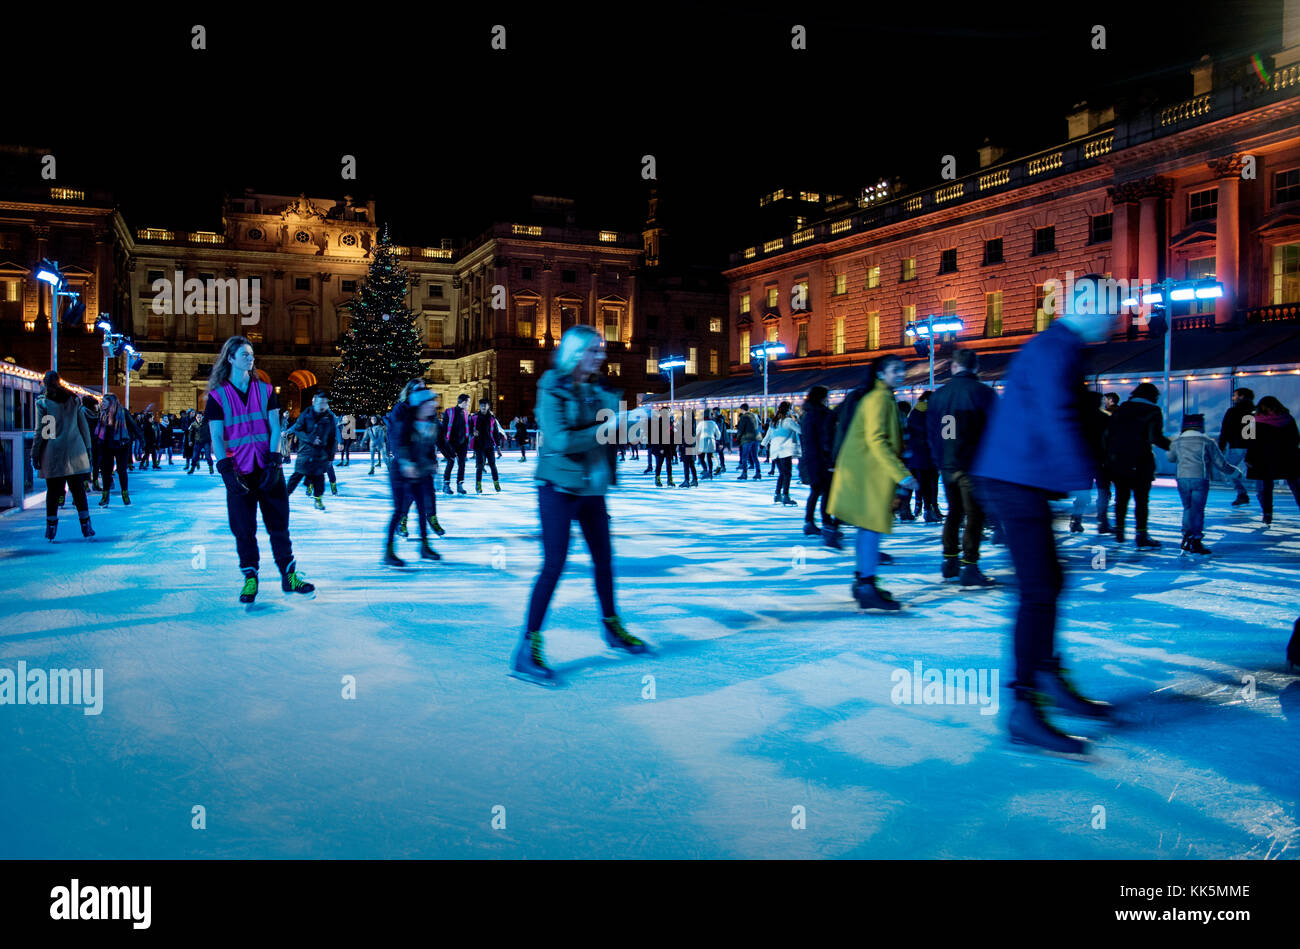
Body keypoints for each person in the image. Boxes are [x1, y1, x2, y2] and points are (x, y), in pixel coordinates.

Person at [972, 273, 1118, 754]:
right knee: (1038, 590)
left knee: (1048, 585)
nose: (1117, 319)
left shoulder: (1058, 345)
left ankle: (1046, 681)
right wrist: (1080, 481)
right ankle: (1024, 709)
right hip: (1014, 481)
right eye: (1110, 307)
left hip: (1018, 478)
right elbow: (1058, 414)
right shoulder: (1056, 348)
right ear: (1085, 305)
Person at [511, 325, 650, 686]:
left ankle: (612, 627)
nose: (601, 355)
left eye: (601, 350)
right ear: (575, 353)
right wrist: (612, 426)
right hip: (558, 486)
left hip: (592, 488)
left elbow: (609, 435)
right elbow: (559, 440)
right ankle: (527, 648)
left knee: (604, 560)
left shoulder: (598, 387)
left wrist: (635, 426)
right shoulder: (551, 386)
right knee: (554, 564)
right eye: (593, 350)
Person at [205, 336, 314, 605]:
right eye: (244, 354)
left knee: (279, 525)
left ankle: (289, 576)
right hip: (239, 471)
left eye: (251, 354)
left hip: (267, 467)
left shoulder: (265, 391)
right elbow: (216, 437)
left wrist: (275, 460)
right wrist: (226, 471)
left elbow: (275, 427)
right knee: (243, 528)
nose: (250, 358)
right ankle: (250, 577)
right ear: (230, 358)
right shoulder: (218, 397)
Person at [828, 355, 914, 609]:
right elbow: (878, 440)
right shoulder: (878, 399)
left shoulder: (881, 397)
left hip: (865, 471)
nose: (900, 373)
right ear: (880, 373)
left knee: (868, 528)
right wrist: (902, 475)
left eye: (901, 369)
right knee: (871, 528)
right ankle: (866, 585)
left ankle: (863, 582)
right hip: (868, 473)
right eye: (894, 369)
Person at [926, 349, 997, 586]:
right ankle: (970, 565)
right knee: (974, 515)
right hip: (973, 464)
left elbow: (933, 433)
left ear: (954, 367)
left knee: (954, 512)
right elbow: (996, 432)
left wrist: (939, 459)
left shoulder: (938, 395)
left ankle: (949, 560)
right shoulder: (983, 394)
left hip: (947, 463)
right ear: (976, 368)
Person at [382, 381, 442, 566]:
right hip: (401, 472)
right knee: (399, 510)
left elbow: (430, 447)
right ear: (420, 405)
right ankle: (389, 550)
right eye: (429, 402)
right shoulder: (406, 421)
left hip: (420, 471)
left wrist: (432, 462)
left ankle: (424, 546)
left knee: (423, 508)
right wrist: (406, 463)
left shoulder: (431, 423)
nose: (434, 405)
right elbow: (399, 443)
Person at [1103, 382, 1170, 547]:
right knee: (1141, 500)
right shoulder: (1153, 411)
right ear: (1152, 396)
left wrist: (1109, 457)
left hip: (1117, 462)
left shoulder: (1121, 410)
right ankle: (1141, 535)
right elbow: (1154, 437)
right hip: (1141, 462)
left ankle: (1119, 531)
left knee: (1121, 497)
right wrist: (1175, 446)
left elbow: (1106, 435)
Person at [1167, 413, 1241, 554]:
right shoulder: (1207, 441)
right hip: (1200, 477)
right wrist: (1235, 472)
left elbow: (1171, 458)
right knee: (1198, 509)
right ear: (1200, 425)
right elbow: (1220, 463)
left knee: (1187, 508)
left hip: (1182, 478)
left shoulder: (1177, 441)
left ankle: (1186, 536)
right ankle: (1196, 540)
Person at [34, 371, 95, 541]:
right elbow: (82, 425)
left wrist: (35, 453)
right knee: (78, 490)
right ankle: (86, 525)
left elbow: (44, 431)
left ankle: (51, 527)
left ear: (45, 384)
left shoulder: (44, 403)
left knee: (53, 491)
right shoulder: (73, 399)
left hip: (54, 452)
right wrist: (88, 448)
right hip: (75, 451)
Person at [1246, 395, 1300, 525]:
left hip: (1264, 458)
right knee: (1295, 486)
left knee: (1266, 487)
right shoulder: (1288, 419)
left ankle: (1267, 514)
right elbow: (1296, 438)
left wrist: (1249, 458)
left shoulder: (1254, 421)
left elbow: (1251, 443)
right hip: (1288, 457)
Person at [284, 393, 337, 510]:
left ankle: (318, 500)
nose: (322, 405)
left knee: (319, 478)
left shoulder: (329, 418)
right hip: (305, 452)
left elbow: (332, 437)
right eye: (319, 402)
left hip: (320, 454)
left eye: (324, 402)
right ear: (314, 403)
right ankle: (284, 497)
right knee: (297, 476)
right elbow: (298, 430)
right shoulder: (306, 414)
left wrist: (330, 456)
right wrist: (311, 438)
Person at [798, 386, 837, 540]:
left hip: (811, 458)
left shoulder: (807, 414)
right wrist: (829, 457)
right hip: (822, 459)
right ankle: (827, 523)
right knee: (826, 492)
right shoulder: (821, 415)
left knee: (816, 491)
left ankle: (809, 522)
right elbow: (825, 438)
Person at [95, 394, 143, 506]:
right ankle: (105, 497)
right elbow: (99, 431)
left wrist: (141, 439)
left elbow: (134, 426)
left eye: (105, 401)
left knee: (121, 471)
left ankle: (125, 494)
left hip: (121, 445)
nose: (102, 403)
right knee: (106, 472)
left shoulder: (123, 413)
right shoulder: (102, 414)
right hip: (106, 446)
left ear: (111, 402)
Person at [906, 393, 942, 522]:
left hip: (915, 454)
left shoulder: (913, 412)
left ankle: (917, 507)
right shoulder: (933, 412)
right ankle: (928, 510)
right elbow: (942, 433)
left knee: (920, 483)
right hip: (929, 454)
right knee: (930, 483)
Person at [1218, 387, 1255, 506]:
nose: (1233, 398)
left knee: (1227, 469)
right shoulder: (1254, 411)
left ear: (1242, 396)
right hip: (1252, 446)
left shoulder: (1232, 412)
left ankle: (1241, 492)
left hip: (1237, 445)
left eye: (1235, 395)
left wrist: (1221, 446)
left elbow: (1225, 430)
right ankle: (1264, 499)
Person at [761, 400, 800, 505]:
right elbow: (801, 430)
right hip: (785, 451)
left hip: (775, 451)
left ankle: (777, 495)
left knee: (782, 473)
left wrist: (762, 445)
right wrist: (797, 419)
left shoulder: (774, 421)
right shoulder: (788, 421)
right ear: (789, 409)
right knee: (787, 474)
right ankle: (785, 496)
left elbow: (768, 435)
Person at [471, 397, 504, 493]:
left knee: (493, 465)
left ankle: (496, 483)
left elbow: (496, 433)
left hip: (489, 445)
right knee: (480, 466)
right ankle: (478, 485)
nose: (483, 407)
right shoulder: (475, 417)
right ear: (479, 406)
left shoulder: (492, 419)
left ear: (488, 406)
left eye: (485, 405)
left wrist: (498, 447)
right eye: (482, 405)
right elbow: (468, 429)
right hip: (479, 445)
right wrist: (473, 432)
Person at [442, 394, 471, 495]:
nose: (469, 404)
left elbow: (467, 428)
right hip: (451, 443)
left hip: (462, 443)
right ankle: (446, 485)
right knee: (450, 462)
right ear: (463, 402)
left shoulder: (466, 413)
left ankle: (460, 485)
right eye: (468, 402)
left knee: (462, 464)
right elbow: (444, 428)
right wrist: (445, 443)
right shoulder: (449, 412)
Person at [735, 403, 760, 479]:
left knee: (744, 457)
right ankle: (758, 473)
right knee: (755, 456)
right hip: (755, 438)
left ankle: (744, 473)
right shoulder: (754, 416)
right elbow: (758, 424)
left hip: (747, 438)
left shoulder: (744, 417)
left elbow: (741, 428)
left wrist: (738, 437)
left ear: (742, 409)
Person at [695, 409, 720, 480]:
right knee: (709, 457)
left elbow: (697, 432)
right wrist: (717, 439)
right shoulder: (713, 423)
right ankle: (710, 472)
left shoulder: (701, 423)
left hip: (703, 440)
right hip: (711, 440)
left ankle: (705, 470)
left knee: (701, 457)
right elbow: (718, 433)